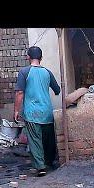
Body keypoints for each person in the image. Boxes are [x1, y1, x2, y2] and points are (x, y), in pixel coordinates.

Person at [14, 46, 61, 177]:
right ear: (41, 58)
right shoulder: (47, 72)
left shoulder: (24, 72)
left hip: (32, 112)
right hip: (47, 111)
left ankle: (40, 167)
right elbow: (57, 90)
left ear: (28, 57)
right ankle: (50, 162)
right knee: (48, 139)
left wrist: (16, 110)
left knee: (35, 140)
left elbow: (19, 92)